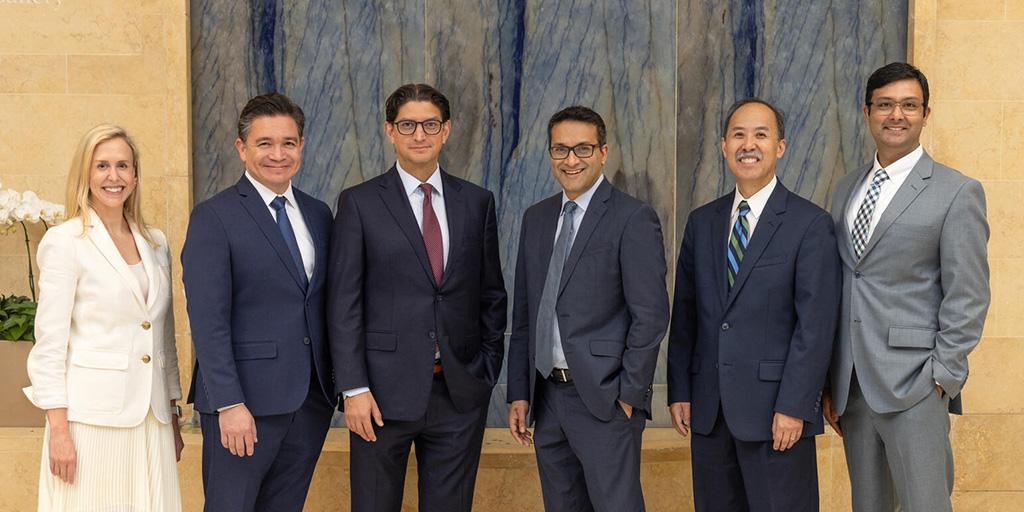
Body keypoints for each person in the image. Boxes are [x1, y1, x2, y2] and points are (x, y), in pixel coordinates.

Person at [328, 83, 507, 512]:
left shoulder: (476, 202)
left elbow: (491, 294)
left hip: (459, 393)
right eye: (407, 124)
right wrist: (353, 388)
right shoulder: (359, 203)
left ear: (446, 131)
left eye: (430, 124)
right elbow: (343, 303)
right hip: (378, 398)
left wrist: (484, 370)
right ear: (390, 131)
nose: (419, 135)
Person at [822, 62, 990, 512]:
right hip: (853, 388)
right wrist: (831, 379)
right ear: (867, 112)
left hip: (917, 383)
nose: (897, 115)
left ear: (925, 113)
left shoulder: (957, 192)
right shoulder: (845, 189)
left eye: (909, 105)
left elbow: (968, 294)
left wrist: (943, 375)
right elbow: (844, 282)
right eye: (885, 105)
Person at [667, 98, 841, 511]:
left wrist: (794, 406)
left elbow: (814, 328)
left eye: (761, 135)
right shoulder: (702, 222)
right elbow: (686, 315)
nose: (749, 144)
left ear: (779, 147)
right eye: (739, 135)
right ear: (724, 145)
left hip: (776, 416)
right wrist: (680, 389)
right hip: (710, 412)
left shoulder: (809, 224)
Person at [506, 105, 669, 511]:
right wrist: (519, 393)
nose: (571, 159)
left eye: (582, 148)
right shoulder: (537, 218)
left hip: (605, 399)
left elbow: (650, 316)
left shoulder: (632, 218)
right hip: (546, 398)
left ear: (603, 152)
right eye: (560, 150)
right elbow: (525, 314)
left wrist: (628, 396)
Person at [181, 92, 335, 511]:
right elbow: (208, 321)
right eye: (264, 143)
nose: (278, 154)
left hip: (308, 403)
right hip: (243, 407)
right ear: (242, 148)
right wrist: (230, 404)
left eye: (288, 142)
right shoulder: (214, 217)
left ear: (301, 146)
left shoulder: (319, 214)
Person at [25, 124, 185, 511]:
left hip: (152, 420)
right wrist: (58, 430)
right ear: (85, 174)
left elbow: (162, 337)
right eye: (102, 166)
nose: (114, 177)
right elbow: (50, 344)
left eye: (123, 166)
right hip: (90, 422)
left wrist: (172, 412)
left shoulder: (155, 241)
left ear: (135, 175)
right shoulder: (65, 242)